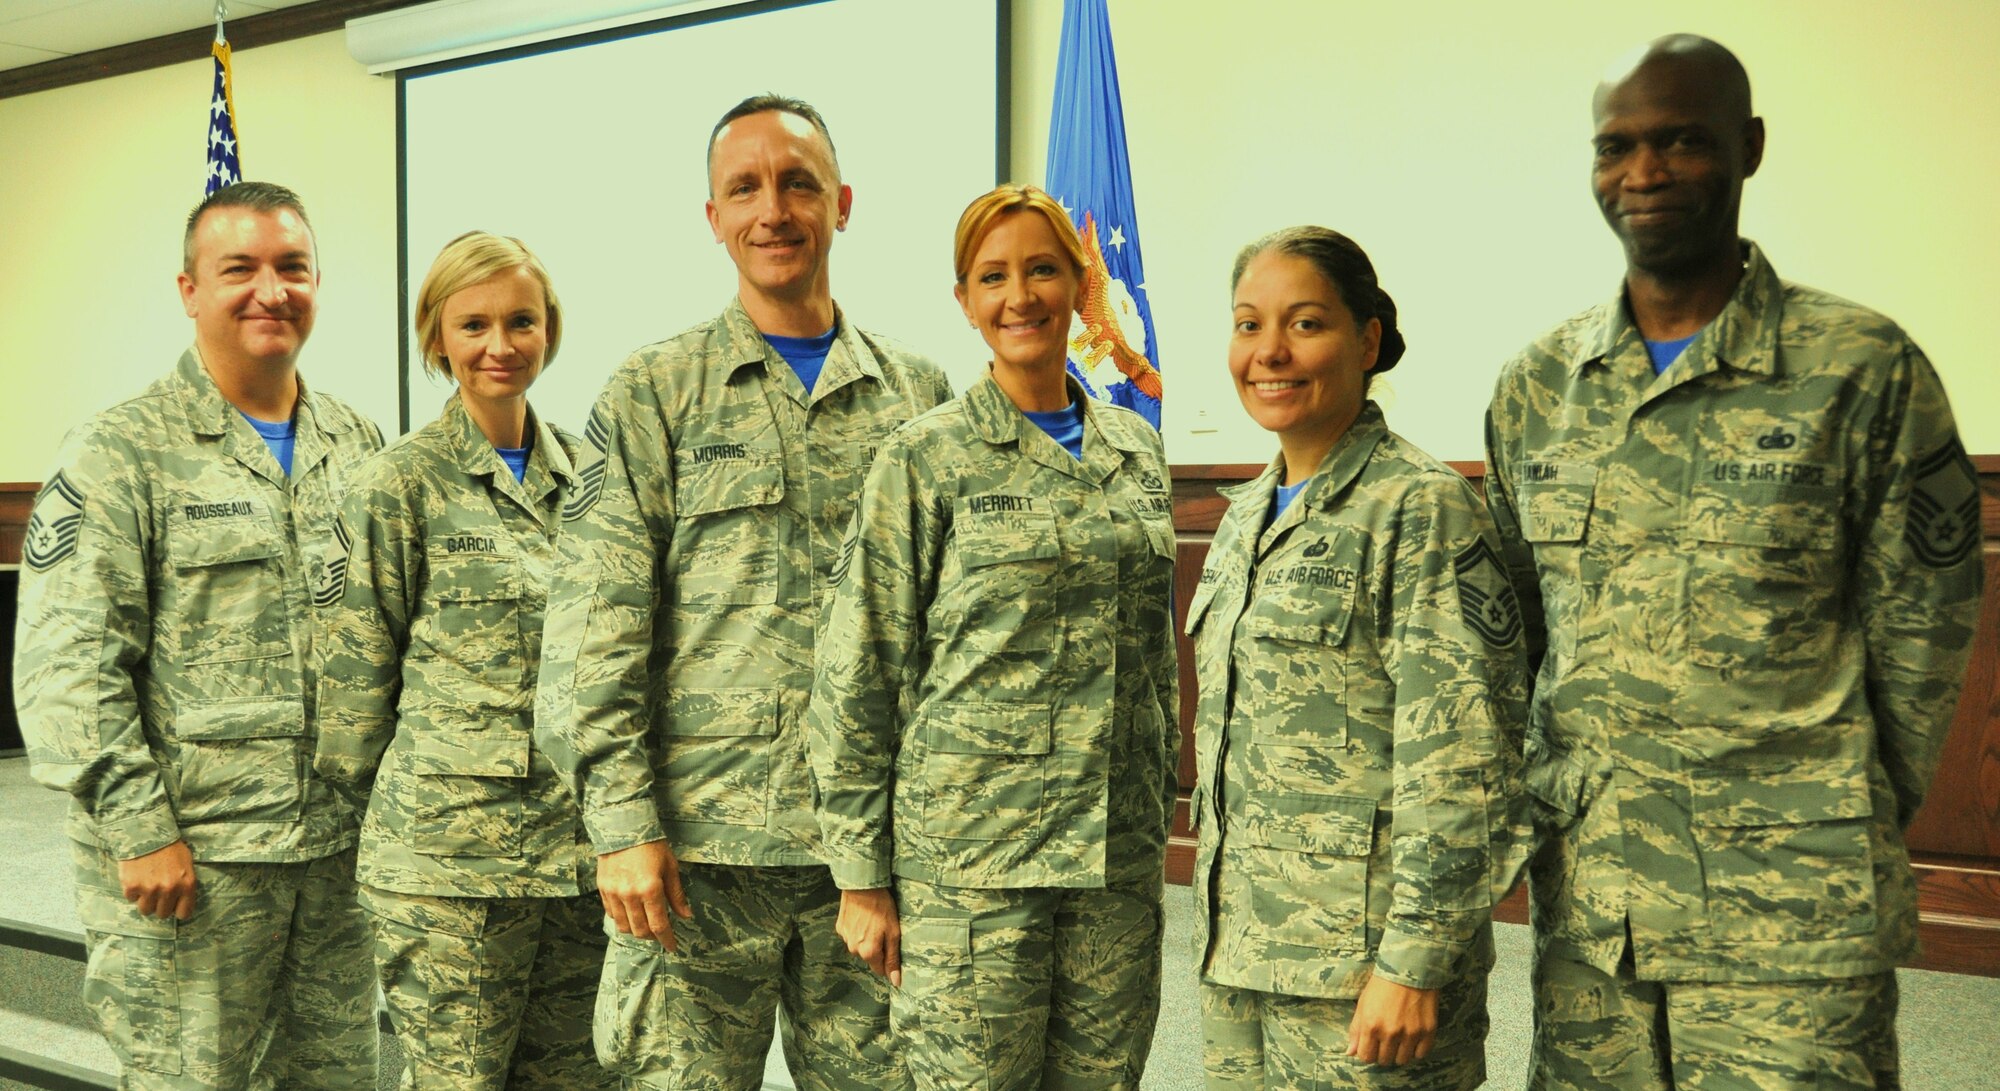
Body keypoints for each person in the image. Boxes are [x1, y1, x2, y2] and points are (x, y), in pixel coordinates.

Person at [1484, 34, 1983, 1090]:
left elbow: (1924, 628)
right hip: (1596, 917)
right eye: (1614, 147)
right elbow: (1521, 633)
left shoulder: (1858, 368)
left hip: (1790, 914)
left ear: (1747, 147)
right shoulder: (1539, 387)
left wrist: (1824, 801)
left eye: (1679, 141)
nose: (1643, 173)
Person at [532, 95, 952, 1091]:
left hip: (874, 862)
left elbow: (951, 630)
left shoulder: (918, 395)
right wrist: (623, 824)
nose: (774, 208)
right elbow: (595, 625)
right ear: (712, 216)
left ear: (841, 203)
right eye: (745, 188)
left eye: (798, 182)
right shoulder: (654, 391)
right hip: (695, 858)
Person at [808, 182, 1180, 1091]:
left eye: (1043, 269)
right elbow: (861, 666)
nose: (1022, 296)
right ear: (966, 302)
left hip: (1113, 862)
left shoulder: (1135, 451)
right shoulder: (923, 457)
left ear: (1078, 285)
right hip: (971, 870)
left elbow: (1159, 665)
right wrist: (860, 874)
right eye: (994, 276)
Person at [12, 181, 382, 1090]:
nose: (271, 290)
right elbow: (69, 664)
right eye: (239, 269)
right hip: (195, 868)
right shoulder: (118, 450)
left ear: (318, 282)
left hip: (335, 863)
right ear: (189, 290)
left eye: (292, 267)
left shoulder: (357, 439)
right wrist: (139, 829)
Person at [1187, 226, 1528, 1091]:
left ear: (1367, 339)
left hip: (1364, 975)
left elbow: (1466, 759)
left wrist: (1414, 961)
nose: (1270, 351)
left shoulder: (1420, 509)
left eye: (1305, 324)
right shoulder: (1244, 517)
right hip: (1243, 955)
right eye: (1248, 324)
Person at [313, 231, 613, 1089]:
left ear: (548, 330)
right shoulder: (396, 483)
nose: (500, 344)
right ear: (436, 336)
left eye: (521, 320)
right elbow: (354, 680)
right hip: (449, 866)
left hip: (579, 858)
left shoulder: (593, 476)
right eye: (473, 323)